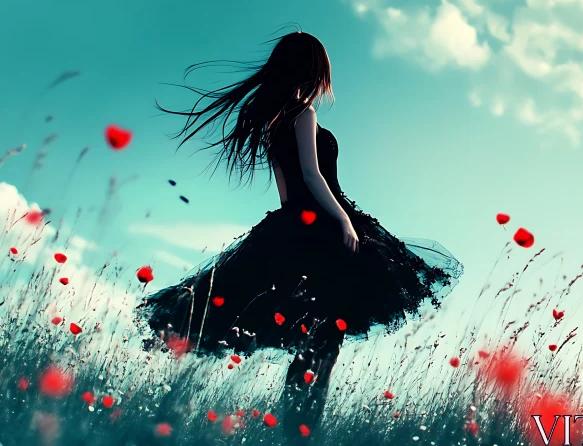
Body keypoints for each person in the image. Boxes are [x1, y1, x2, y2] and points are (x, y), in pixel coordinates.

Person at [136, 31, 462, 443]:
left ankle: (298, 433)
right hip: (324, 229)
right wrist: (343, 220)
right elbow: (311, 175)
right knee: (324, 344)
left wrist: (297, 226)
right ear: (312, 71)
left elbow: (286, 193)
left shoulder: (274, 121)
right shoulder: (303, 113)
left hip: (293, 228)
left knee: (312, 341)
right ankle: (302, 434)